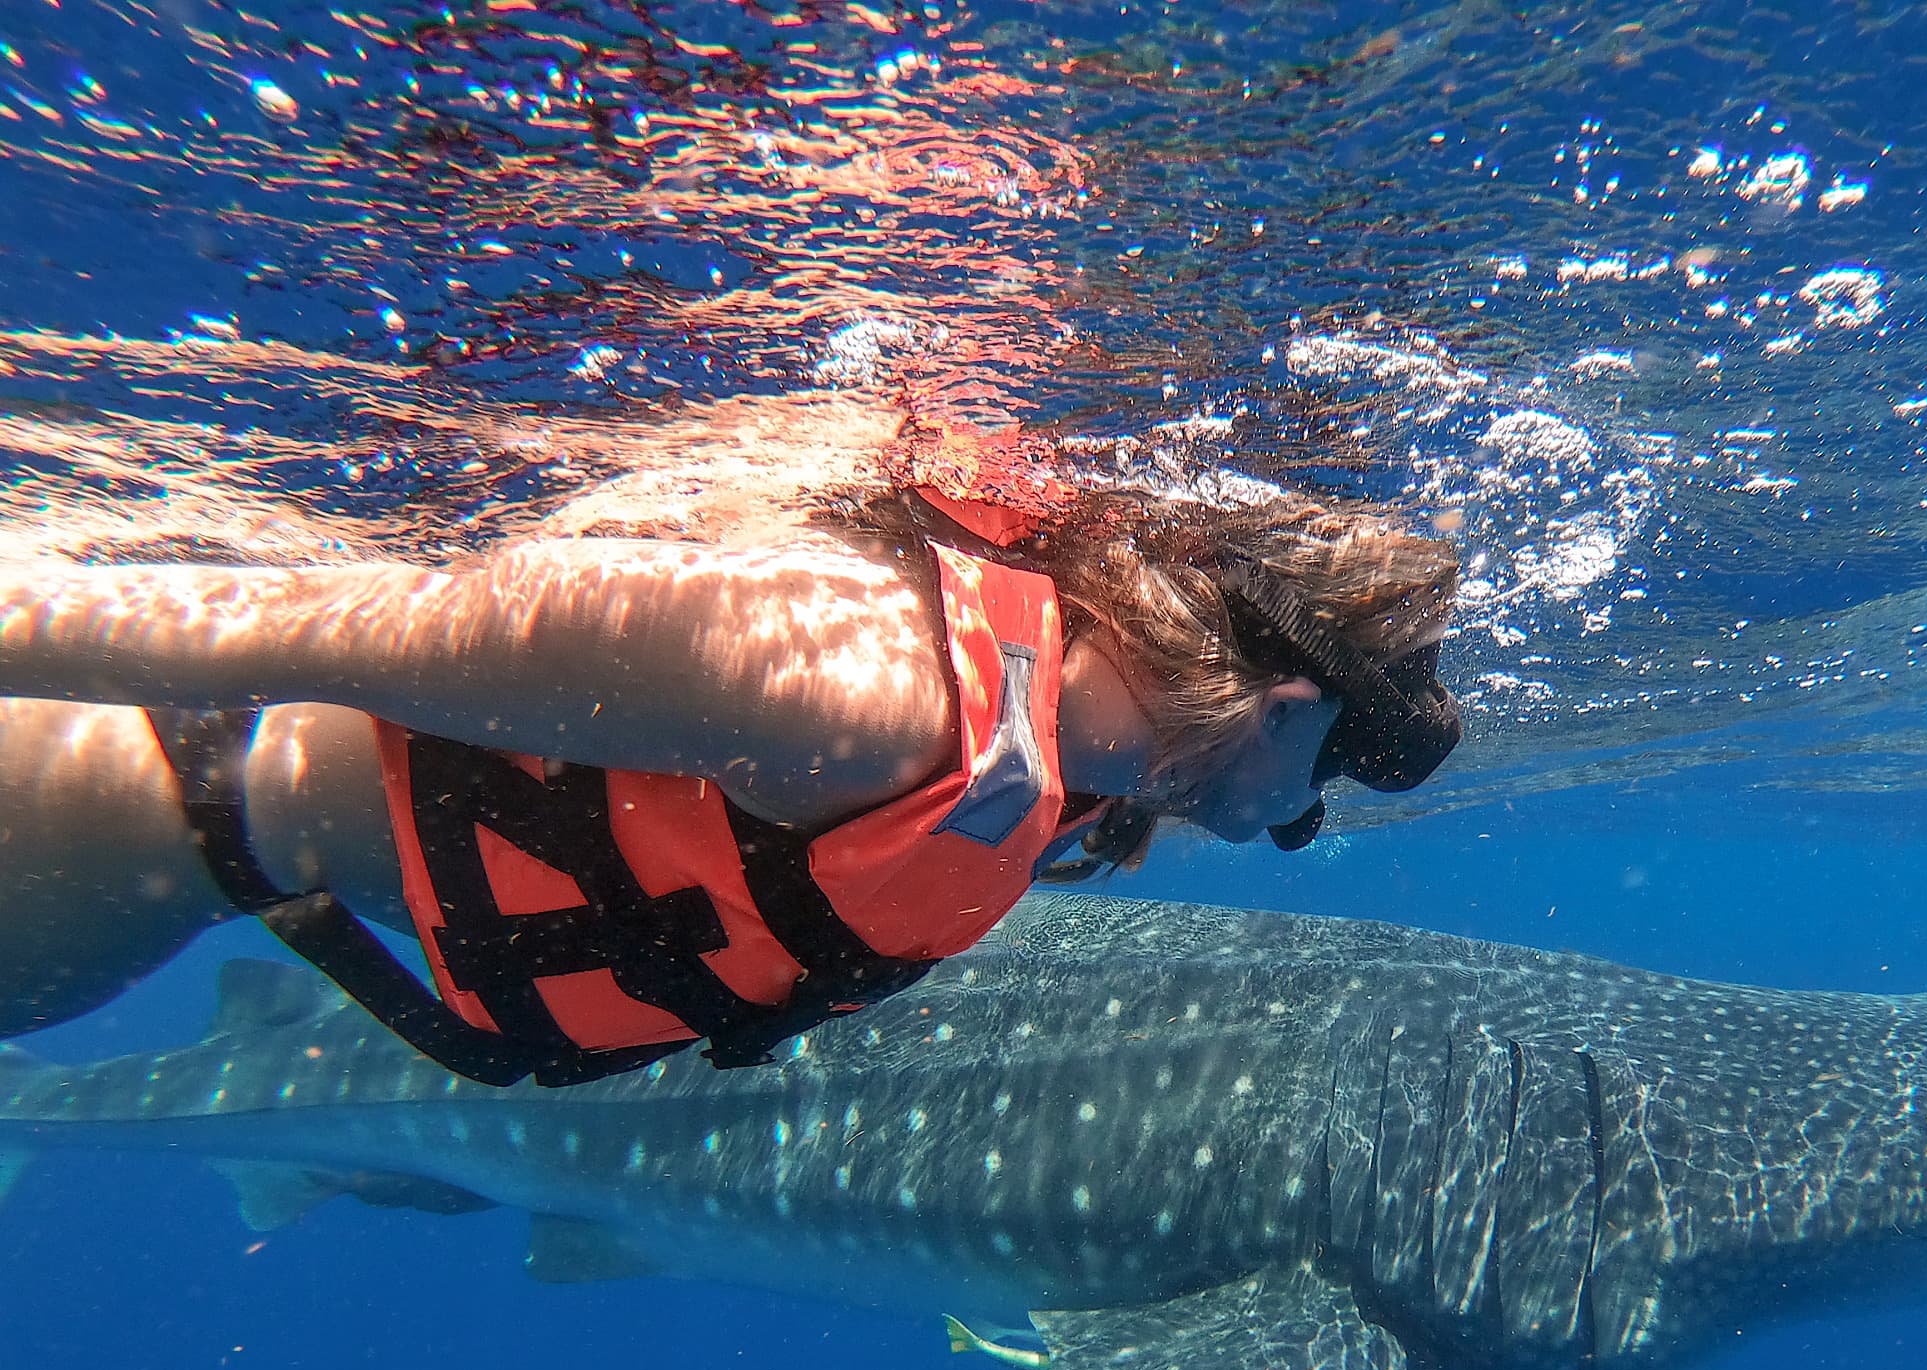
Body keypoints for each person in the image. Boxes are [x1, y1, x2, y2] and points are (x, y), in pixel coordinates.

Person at [0, 400, 1459, 1085]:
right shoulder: (855, 687)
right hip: (118, 803)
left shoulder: (1066, 769)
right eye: (1320, 786)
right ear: (1291, 707)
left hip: (181, 881)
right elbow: (302, 625)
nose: (1289, 823)